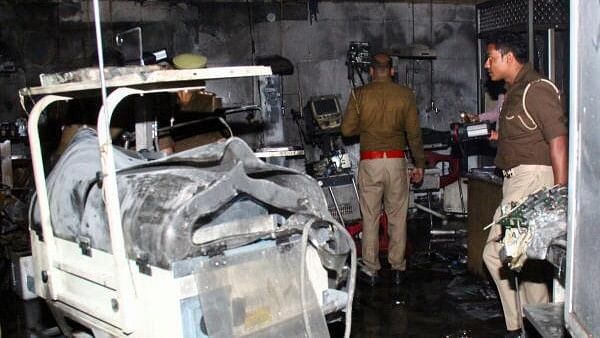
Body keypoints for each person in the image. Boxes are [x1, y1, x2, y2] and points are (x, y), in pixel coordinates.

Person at [481, 33, 568, 338]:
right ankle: (536, 325)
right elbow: (526, 134)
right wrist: (499, 138)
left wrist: (558, 195)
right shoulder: (515, 92)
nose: (486, 64)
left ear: (508, 57)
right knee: (525, 259)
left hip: (531, 182)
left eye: (491, 58)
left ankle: (517, 325)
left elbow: (558, 139)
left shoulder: (536, 89)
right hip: (518, 181)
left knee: (498, 253)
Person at [341, 53, 425, 286]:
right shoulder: (405, 95)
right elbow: (414, 134)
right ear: (391, 71)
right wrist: (419, 164)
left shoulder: (359, 95)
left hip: (370, 162)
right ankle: (397, 268)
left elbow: (347, 131)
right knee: (398, 217)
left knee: (370, 217)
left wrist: (366, 124)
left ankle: (372, 269)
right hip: (397, 162)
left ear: (370, 71)